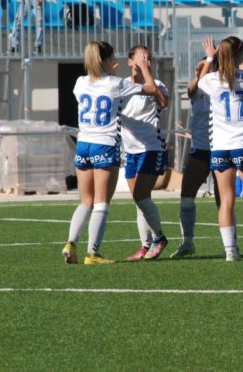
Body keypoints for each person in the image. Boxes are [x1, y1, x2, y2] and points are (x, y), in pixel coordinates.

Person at [62, 41, 160, 265]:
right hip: (104, 145)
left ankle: (70, 242)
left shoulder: (79, 82)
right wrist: (144, 68)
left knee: (85, 201)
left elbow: (95, 88)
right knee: (101, 203)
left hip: (83, 144)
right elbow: (152, 89)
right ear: (107, 60)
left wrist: (106, 72)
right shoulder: (116, 83)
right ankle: (92, 253)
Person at [198, 36, 243, 262]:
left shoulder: (211, 79)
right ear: (240, 55)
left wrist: (212, 57)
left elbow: (200, 81)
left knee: (226, 200)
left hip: (220, 147)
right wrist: (237, 60)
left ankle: (230, 251)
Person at [121, 45, 171, 261]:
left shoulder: (156, 84)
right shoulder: (120, 85)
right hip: (129, 150)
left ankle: (159, 238)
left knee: (141, 196)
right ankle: (145, 245)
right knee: (139, 199)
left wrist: (146, 71)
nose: (145, 61)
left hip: (151, 148)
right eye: (141, 58)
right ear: (129, 61)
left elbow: (163, 102)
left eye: (149, 58)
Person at [170, 58, 221, 258]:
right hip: (200, 149)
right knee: (186, 195)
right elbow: (191, 89)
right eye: (198, 66)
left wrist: (208, 66)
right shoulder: (197, 90)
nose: (198, 68)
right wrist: (201, 70)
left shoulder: (220, 86)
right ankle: (188, 241)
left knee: (222, 198)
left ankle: (231, 243)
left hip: (220, 149)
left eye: (203, 66)